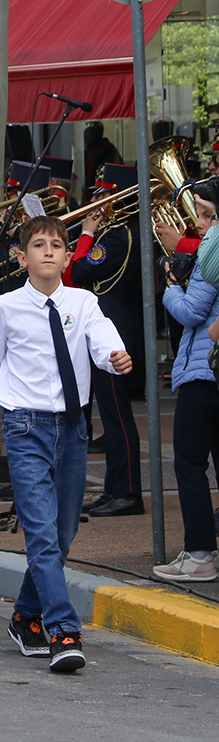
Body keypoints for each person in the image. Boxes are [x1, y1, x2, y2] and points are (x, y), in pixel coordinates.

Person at [0, 217, 133, 674]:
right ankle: (63, 630)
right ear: (22, 258)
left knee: (62, 533)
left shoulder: (83, 302)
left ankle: (25, 615)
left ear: (67, 256)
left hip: (73, 427)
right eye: (38, 245)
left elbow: (102, 341)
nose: (47, 252)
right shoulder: (4, 308)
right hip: (25, 427)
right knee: (40, 531)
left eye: (56, 245)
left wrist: (115, 357)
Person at [155, 180, 219, 582]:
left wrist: (169, 287)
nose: (199, 222)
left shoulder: (212, 252)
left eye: (206, 214)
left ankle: (199, 554)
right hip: (209, 369)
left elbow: (192, 312)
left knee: (190, 464)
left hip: (204, 372)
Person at [68, 196, 144, 517]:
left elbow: (78, 272)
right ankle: (114, 489)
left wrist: (86, 234)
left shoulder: (116, 236)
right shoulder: (114, 233)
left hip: (113, 336)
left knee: (117, 417)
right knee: (110, 417)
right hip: (105, 332)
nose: (95, 202)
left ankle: (127, 492)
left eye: (102, 195)